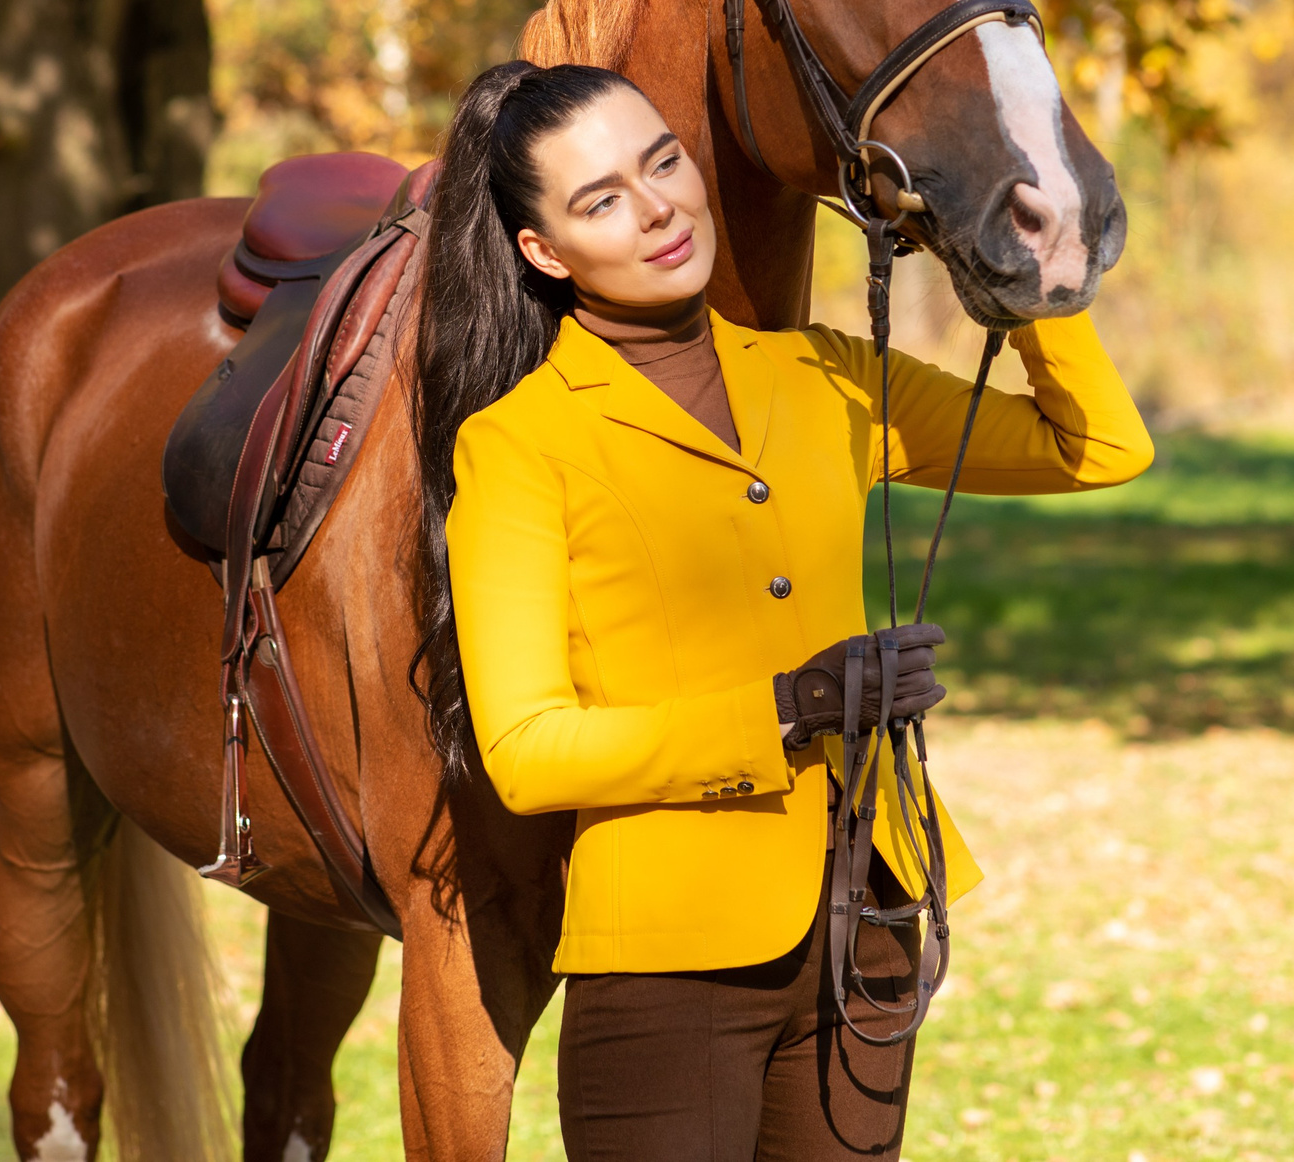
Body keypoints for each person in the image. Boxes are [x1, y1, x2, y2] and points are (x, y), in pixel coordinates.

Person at [414, 61, 1153, 1161]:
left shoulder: (823, 375)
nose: (658, 205)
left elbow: (1093, 445)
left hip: (872, 918)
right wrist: (784, 705)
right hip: (670, 960)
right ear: (543, 251)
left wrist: (1021, 269)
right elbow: (525, 748)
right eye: (601, 197)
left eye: (662, 160)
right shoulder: (518, 444)